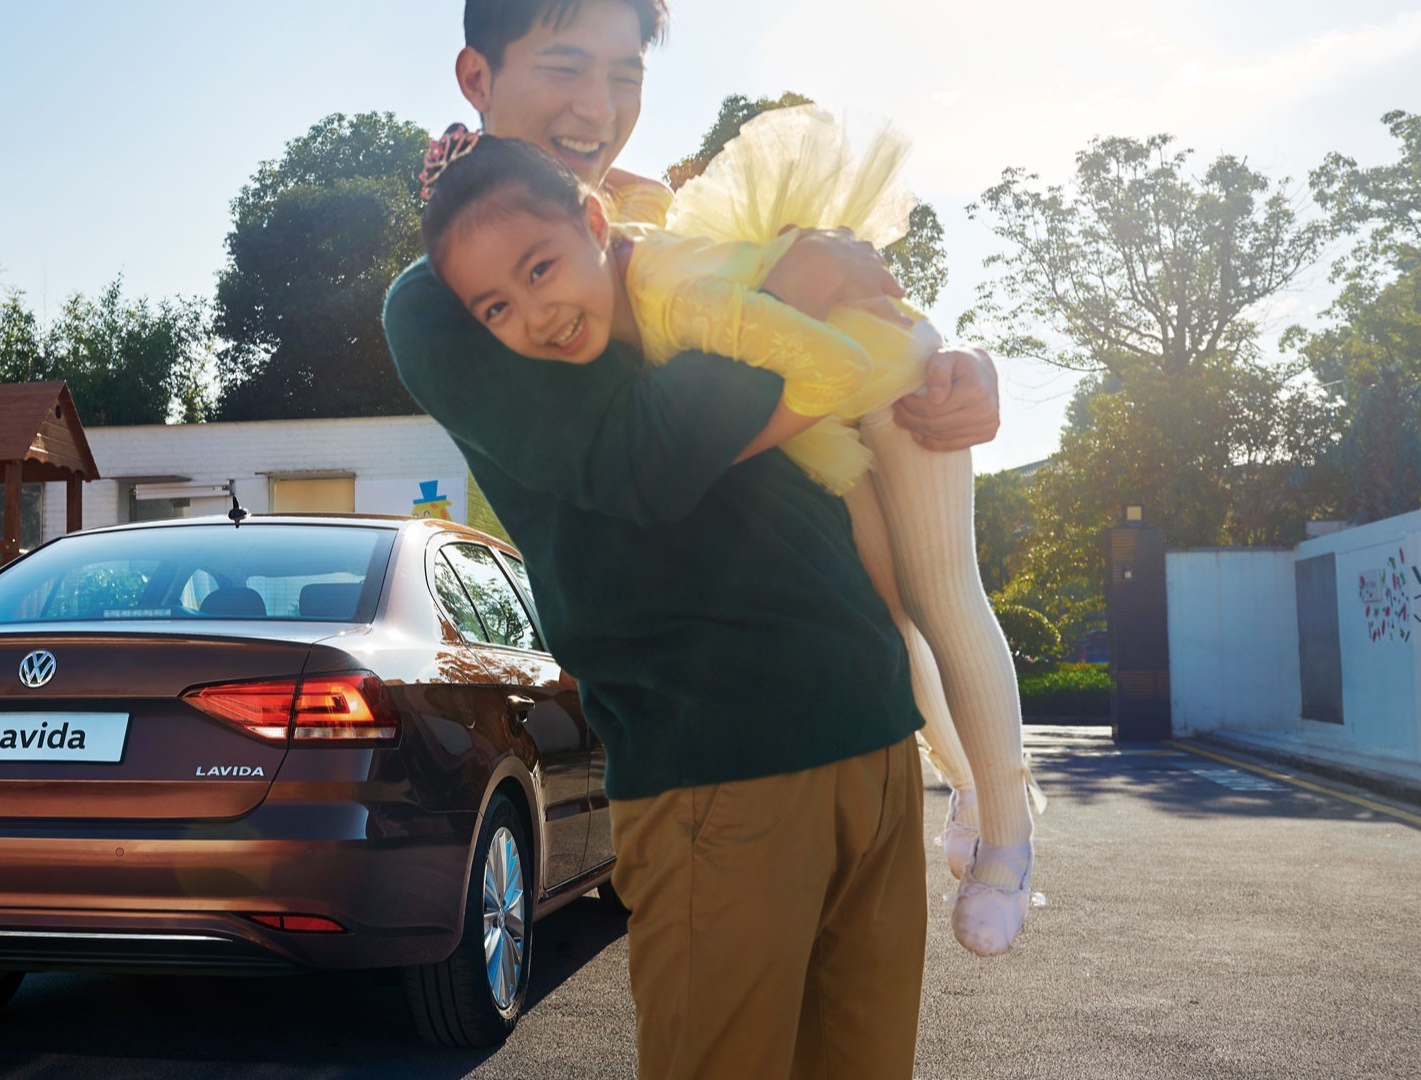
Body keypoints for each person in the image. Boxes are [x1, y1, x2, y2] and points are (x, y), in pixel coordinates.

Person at [382, 2, 1003, 1076]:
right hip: (718, 762)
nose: (597, 107)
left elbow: (850, 350)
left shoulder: (656, 234)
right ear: (476, 77)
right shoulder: (444, 297)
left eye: (624, 74)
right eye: (565, 66)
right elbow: (641, 462)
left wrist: (946, 373)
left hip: (870, 729)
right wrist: (795, 293)